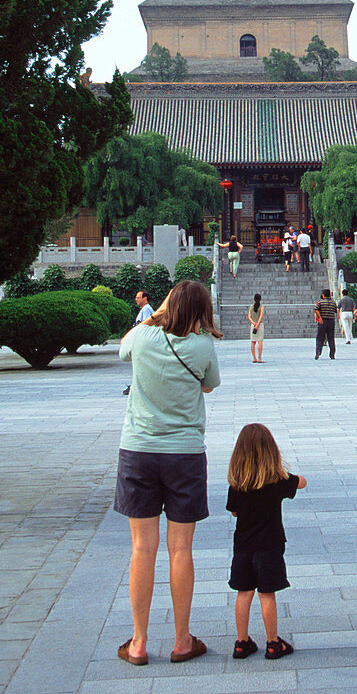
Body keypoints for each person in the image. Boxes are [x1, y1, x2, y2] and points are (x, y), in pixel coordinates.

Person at [114, 280, 222, 667]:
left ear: (167, 304)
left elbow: (122, 346)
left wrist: (159, 312)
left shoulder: (143, 337)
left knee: (142, 548)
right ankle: (181, 640)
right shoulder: (203, 345)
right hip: (185, 455)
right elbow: (209, 386)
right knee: (181, 549)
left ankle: (139, 643)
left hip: (139, 450)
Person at [228, 423, 306, 661]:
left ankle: (242, 642)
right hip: (270, 547)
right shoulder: (277, 481)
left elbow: (234, 512)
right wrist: (284, 474)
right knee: (267, 594)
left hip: (243, 548)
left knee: (244, 593)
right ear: (271, 451)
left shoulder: (237, 484)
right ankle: (273, 643)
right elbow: (302, 482)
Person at [314, 288, 337, 359]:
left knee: (320, 337)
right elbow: (335, 311)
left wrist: (319, 318)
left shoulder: (321, 302)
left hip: (323, 321)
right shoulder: (333, 303)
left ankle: (318, 351)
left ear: (323, 295)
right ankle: (332, 354)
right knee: (331, 338)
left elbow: (315, 309)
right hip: (331, 321)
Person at [249, 294, 265, 363]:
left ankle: (254, 358)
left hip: (253, 325)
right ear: (260, 299)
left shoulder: (251, 307)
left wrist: (254, 323)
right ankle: (259, 358)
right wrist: (257, 325)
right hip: (260, 325)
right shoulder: (261, 307)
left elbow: (249, 317)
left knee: (253, 341)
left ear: (254, 299)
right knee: (260, 341)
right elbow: (261, 317)